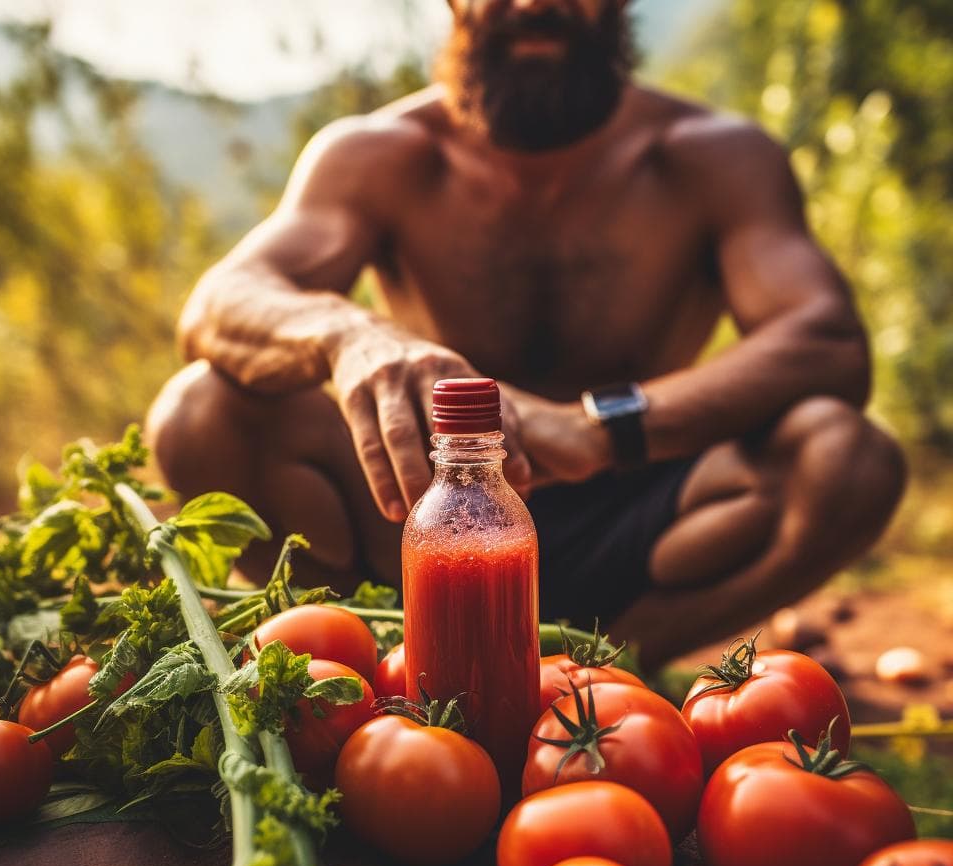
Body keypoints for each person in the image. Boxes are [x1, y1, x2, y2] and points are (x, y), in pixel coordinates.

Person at [146, 0, 905, 668]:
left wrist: (597, 430)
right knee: (198, 414)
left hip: (646, 503)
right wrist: (351, 337)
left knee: (847, 455)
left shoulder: (715, 156)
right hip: (422, 506)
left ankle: (618, 664)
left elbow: (827, 340)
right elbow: (221, 303)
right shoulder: (375, 154)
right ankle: (381, 650)